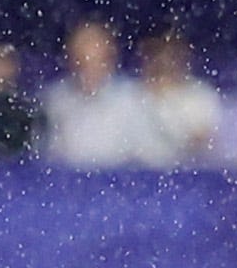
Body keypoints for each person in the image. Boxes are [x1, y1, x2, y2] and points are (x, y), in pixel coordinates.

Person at [44, 20, 160, 167]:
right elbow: (46, 156)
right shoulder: (55, 100)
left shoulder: (133, 98)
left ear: (110, 58)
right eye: (81, 59)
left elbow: (155, 156)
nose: (89, 68)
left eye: (96, 59)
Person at [134, 30, 221, 163]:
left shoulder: (200, 95)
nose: (163, 61)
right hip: (135, 174)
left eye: (170, 54)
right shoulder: (130, 95)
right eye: (156, 53)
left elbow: (201, 143)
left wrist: (166, 101)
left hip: (183, 174)